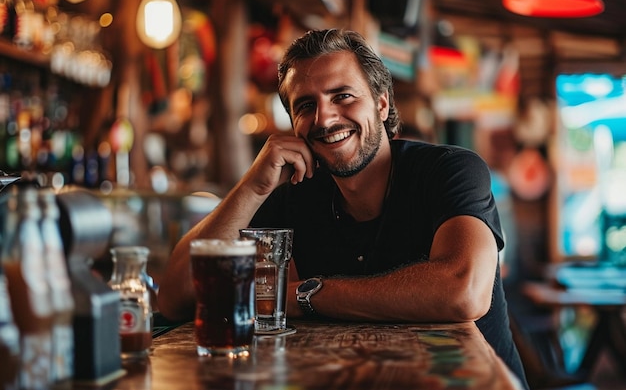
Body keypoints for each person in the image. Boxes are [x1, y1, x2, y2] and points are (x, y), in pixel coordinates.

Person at [158, 28, 528, 388]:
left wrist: (305, 296)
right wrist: (252, 188)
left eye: (343, 96)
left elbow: (464, 291)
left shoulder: (449, 170)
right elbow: (177, 297)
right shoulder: (298, 195)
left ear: (381, 103)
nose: (325, 118)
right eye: (306, 105)